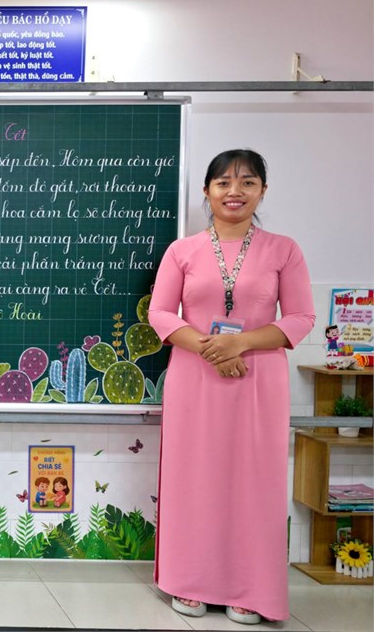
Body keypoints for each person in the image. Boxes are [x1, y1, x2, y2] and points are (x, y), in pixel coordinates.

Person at [148, 149, 314, 625]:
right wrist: (212, 350)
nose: (234, 191)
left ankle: (251, 589)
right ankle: (189, 582)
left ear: (263, 190)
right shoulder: (182, 251)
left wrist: (239, 343)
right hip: (195, 378)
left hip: (258, 379)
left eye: (247, 182)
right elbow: (161, 313)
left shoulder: (284, 249)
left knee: (254, 482)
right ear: (207, 191)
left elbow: (301, 317)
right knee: (193, 478)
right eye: (223, 182)